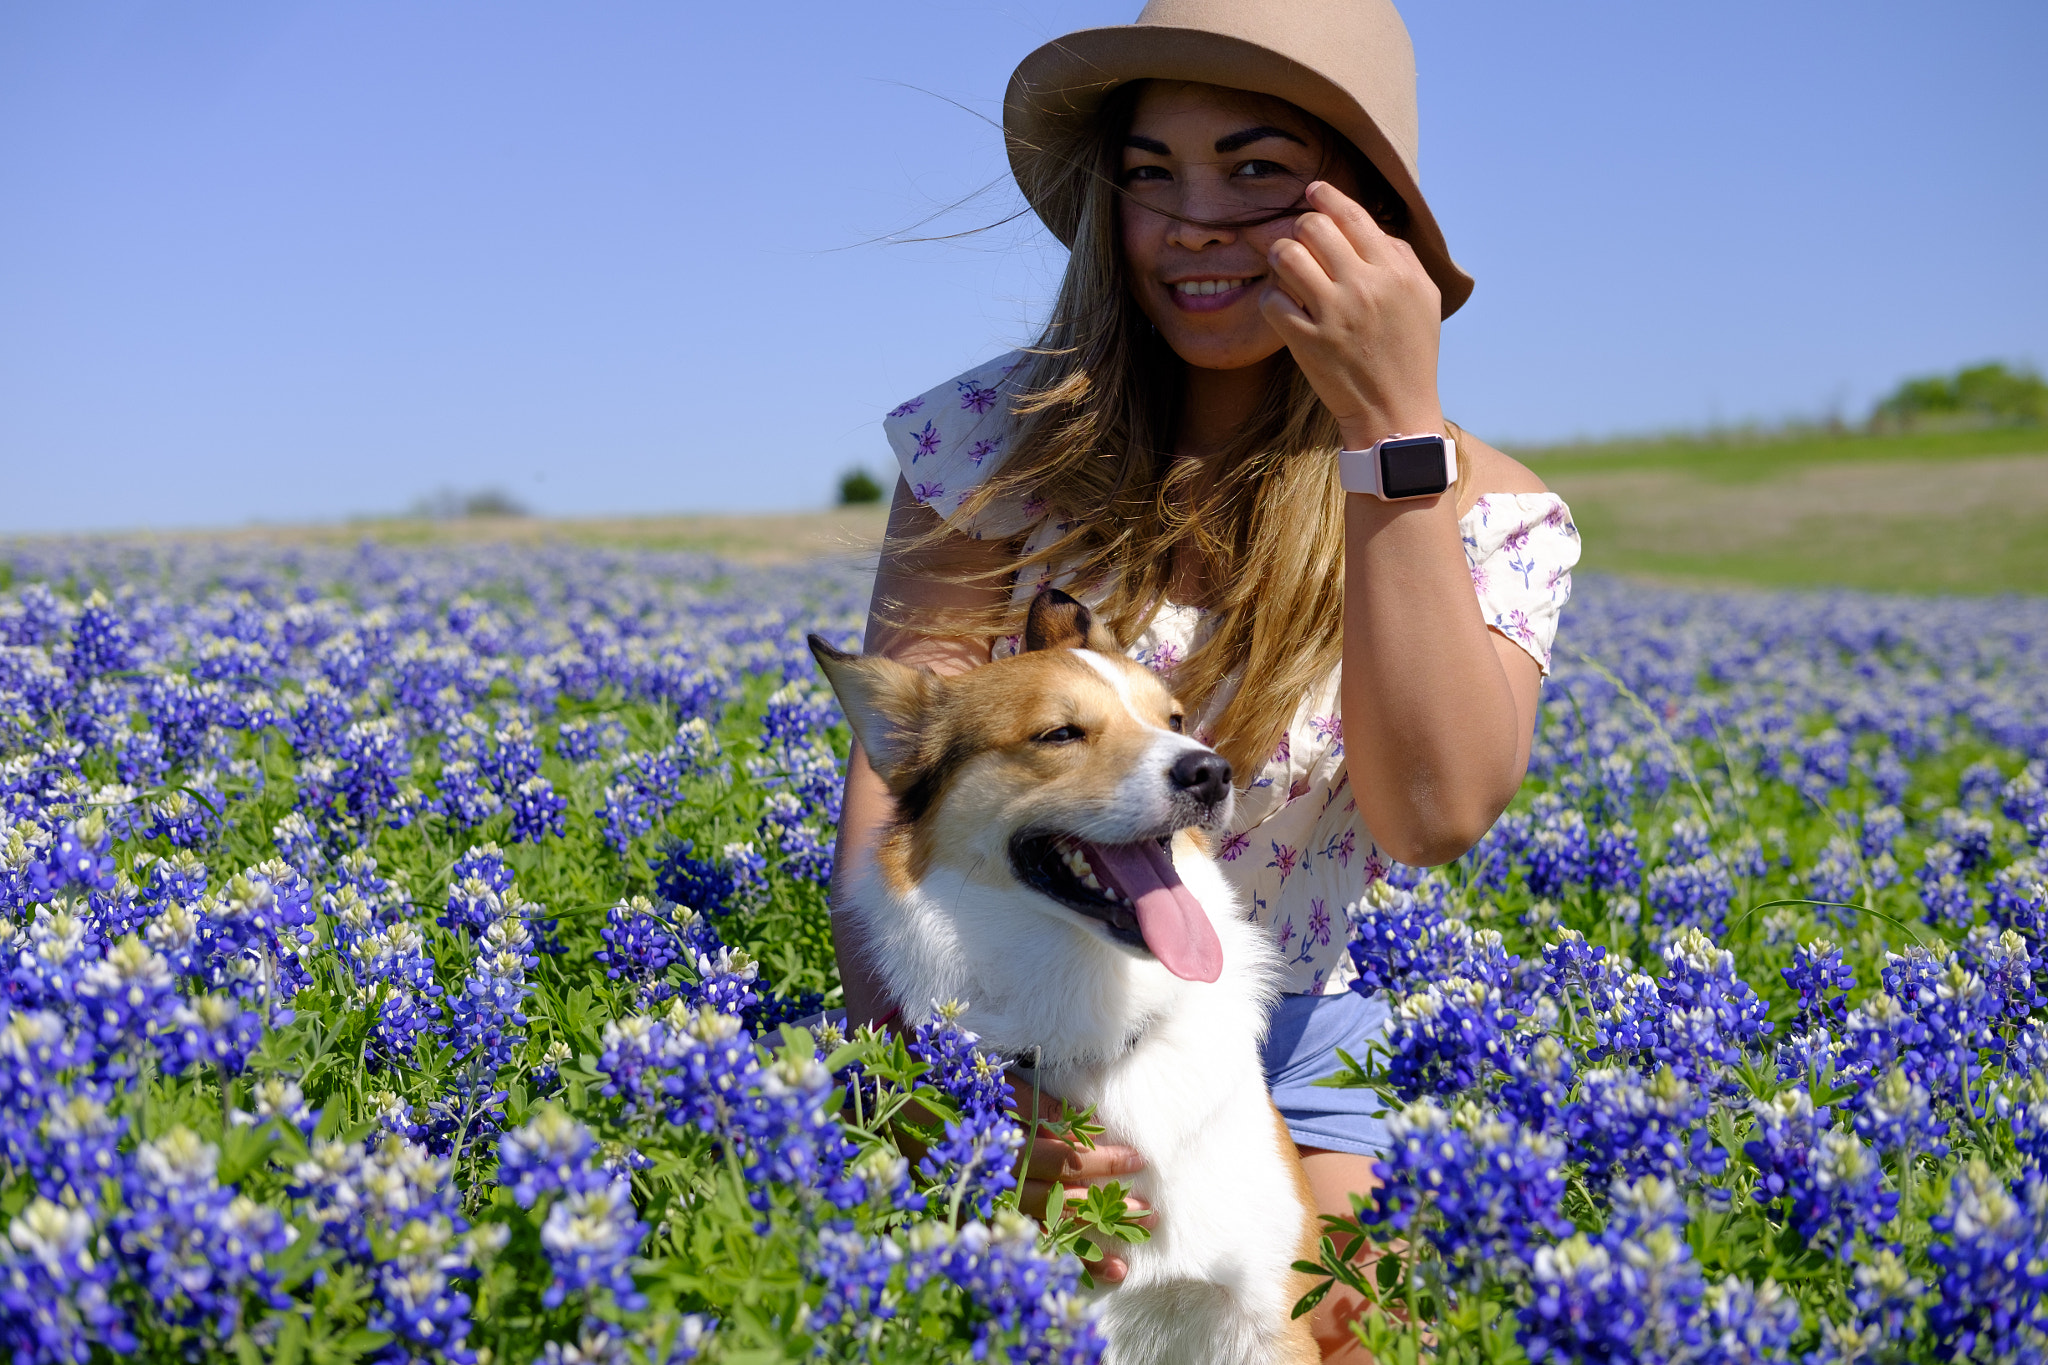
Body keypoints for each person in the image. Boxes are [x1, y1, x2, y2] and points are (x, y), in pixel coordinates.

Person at [828, 0, 1580, 1356]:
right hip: (1017, 1034)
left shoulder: (1491, 514)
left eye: (1256, 171)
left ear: (1369, 207)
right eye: (1151, 175)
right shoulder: (992, 447)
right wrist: (966, 1110)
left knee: (1365, 1333)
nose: (1194, 222)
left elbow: (1435, 813)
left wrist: (1388, 436)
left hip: (1297, 1046)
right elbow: (893, 817)